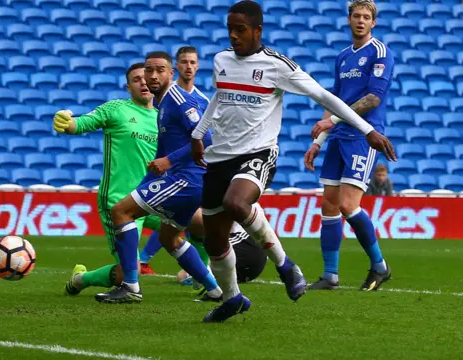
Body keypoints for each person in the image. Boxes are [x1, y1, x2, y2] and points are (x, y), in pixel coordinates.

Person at [191, 0, 396, 322]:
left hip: (264, 150)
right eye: (230, 29)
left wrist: (368, 130)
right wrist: (198, 133)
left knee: (244, 203)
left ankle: (351, 265)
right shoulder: (221, 60)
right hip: (221, 155)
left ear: (258, 31)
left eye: (240, 29)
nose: (233, 36)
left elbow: (328, 97)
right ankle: (236, 298)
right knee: (215, 238)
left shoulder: (280, 65)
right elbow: (220, 95)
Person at [95, 51, 223, 304]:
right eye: (148, 71)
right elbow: (160, 157)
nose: (152, 76)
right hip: (187, 180)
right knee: (168, 237)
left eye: (159, 70)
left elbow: (206, 138)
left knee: (121, 211)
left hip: (186, 179)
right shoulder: (162, 104)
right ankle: (214, 289)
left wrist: (169, 161)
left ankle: (130, 287)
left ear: (170, 73)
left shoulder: (177, 99)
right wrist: (151, 174)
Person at [305, 0, 395, 291]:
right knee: (329, 205)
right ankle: (330, 275)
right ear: (348, 20)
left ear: (373, 23)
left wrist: (332, 121)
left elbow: (373, 99)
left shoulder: (380, 53)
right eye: (356, 16)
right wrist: (318, 142)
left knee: (347, 204)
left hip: (363, 136)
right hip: (339, 137)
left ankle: (380, 266)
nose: (360, 20)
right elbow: (333, 99)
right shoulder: (343, 57)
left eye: (366, 17)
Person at [56, 63, 163, 296]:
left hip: (150, 199)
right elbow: (81, 123)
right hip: (118, 200)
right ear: (128, 87)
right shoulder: (116, 109)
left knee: (196, 223)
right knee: (129, 273)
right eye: (136, 79)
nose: (143, 82)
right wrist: (67, 122)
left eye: (145, 78)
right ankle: (81, 279)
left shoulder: (161, 118)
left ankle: (206, 281)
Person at [140, 46, 211, 276]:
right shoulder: (164, 99)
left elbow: (205, 138)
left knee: (192, 226)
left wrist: (169, 160)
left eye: (192, 62)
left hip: (195, 173)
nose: (188, 67)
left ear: (197, 66)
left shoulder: (199, 100)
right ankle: (208, 279)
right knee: (173, 226)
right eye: (184, 62)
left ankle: (211, 271)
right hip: (178, 174)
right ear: (176, 68)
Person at [176, 222, 267, 287]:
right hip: (255, 260)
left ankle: (205, 277)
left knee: (183, 275)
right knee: (185, 273)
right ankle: (206, 275)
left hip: (245, 246)